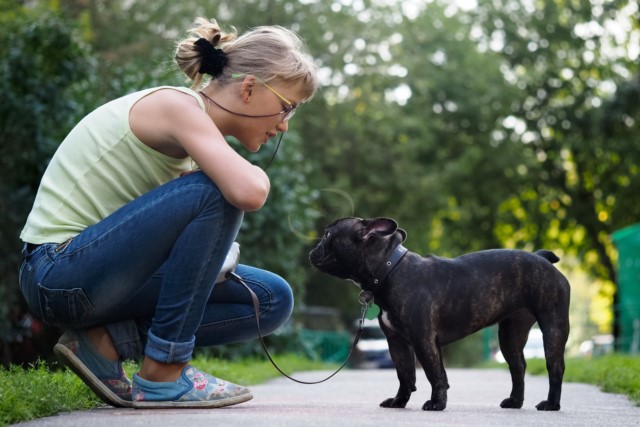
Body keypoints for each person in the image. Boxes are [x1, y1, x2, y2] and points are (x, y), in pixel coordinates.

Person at [18, 17, 318, 409]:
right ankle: (164, 372)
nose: (284, 126)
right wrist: (254, 175)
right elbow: (247, 190)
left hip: (96, 277)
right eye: (286, 107)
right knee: (219, 190)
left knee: (271, 299)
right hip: (55, 273)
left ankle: (103, 343)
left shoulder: (194, 140)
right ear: (249, 88)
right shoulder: (176, 107)